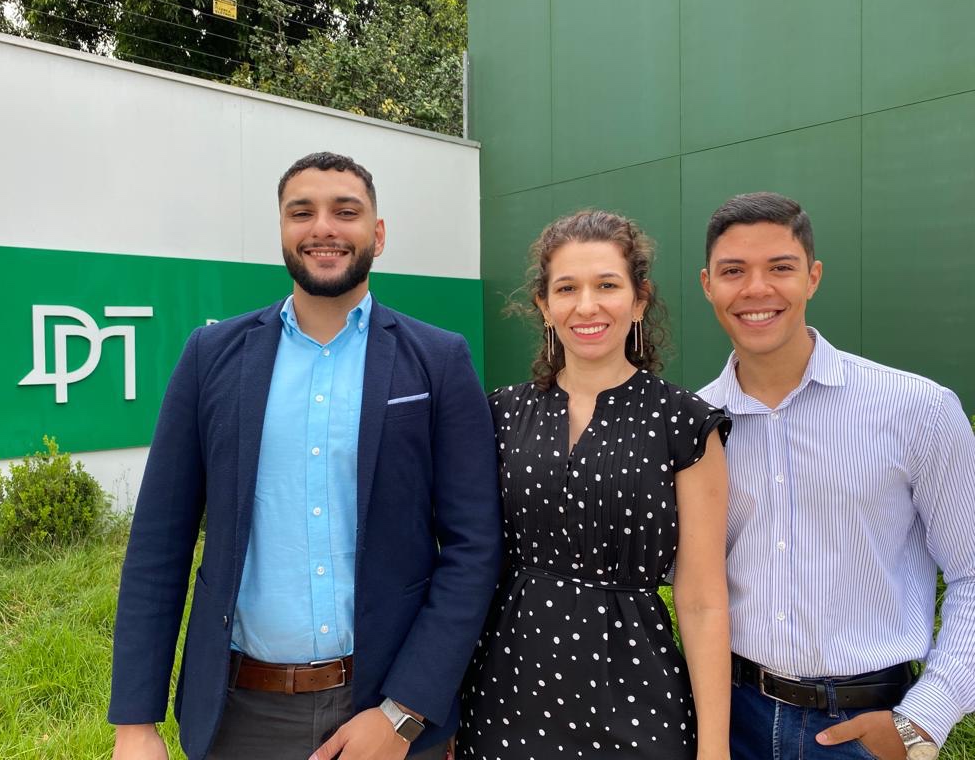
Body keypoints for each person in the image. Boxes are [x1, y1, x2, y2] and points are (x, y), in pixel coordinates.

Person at [108, 152, 502, 760]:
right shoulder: (211, 356)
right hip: (240, 713)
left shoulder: (438, 360)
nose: (323, 228)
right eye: (302, 212)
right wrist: (135, 722)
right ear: (282, 230)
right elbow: (160, 539)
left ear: (377, 234)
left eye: (345, 211)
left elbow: (474, 546)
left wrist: (403, 713)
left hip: (384, 709)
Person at [698, 192, 975, 760]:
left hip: (866, 725)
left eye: (780, 267)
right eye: (733, 271)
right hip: (731, 722)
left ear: (813, 277)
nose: (756, 289)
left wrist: (925, 718)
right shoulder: (692, 426)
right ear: (708, 285)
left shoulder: (917, 408)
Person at [456, 209, 732, 759]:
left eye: (607, 285)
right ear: (544, 305)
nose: (587, 306)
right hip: (506, 694)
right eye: (567, 288)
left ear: (639, 300)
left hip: (636, 698)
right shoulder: (500, 414)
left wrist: (714, 748)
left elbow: (702, 601)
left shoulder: (684, 423)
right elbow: (469, 564)